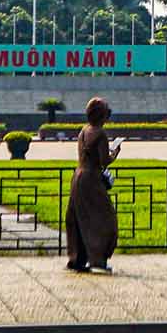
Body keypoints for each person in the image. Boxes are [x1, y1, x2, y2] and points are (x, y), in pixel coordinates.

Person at [66, 96, 121, 273]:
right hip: (91, 179)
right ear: (102, 115)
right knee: (105, 220)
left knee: (79, 218)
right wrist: (115, 153)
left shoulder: (84, 130)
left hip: (78, 176)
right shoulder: (100, 133)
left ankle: (77, 258)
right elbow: (104, 160)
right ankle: (98, 258)